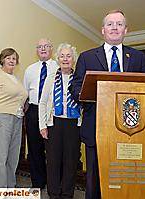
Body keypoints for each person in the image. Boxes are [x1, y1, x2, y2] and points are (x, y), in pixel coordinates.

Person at [69, 10, 145, 199]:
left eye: (119, 24)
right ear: (103, 30)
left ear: (126, 30)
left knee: (124, 178)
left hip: (130, 130)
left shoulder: (138, 57)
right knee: (95, 180)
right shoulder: (86, 57)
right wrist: (93, 95)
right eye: (110, 24)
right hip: (96, 126)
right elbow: (75, 88)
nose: (115, 27)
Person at [39, 43, 81, 198]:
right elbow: (42, 103)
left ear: (73, 59)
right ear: (57, 59)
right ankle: (54, 194)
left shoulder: (79, 78)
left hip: (73, 124)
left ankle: (67, 194)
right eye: (62, 56)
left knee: (71, 162)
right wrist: (42, 125)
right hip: (54, 123)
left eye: (68, 56)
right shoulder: (50, 78)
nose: (65, 59)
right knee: (53, 162)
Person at [0, 48, 28, 187]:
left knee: (13, 158)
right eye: (8, 58)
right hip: (0, 120)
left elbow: (21, 98)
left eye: (14, 58)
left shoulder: (16, 79)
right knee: (0, 159)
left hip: (17, 120)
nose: (11, 60)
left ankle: (9, 188)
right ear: (2, 60)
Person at [23, 38, 58, 189]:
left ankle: (53, 183)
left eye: (46, 46)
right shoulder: (29, 69)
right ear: (36, 50)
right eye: (39, 47)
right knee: (34, 149)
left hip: (52, 112)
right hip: (33, 111)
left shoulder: (59, 66)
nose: (43, 49)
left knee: (52, 149)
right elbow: (24, 93)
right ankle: (38, 183)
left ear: (51, 49)